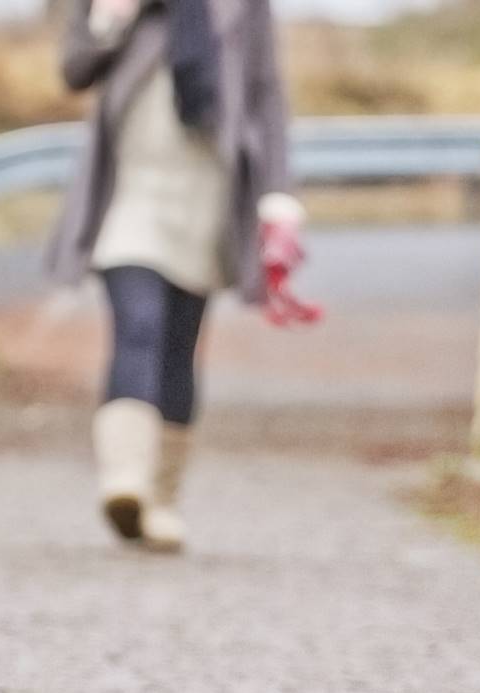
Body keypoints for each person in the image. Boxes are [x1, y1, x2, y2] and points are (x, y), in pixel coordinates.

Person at [47, 0, 312, 552]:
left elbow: (265, 92)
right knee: (138, 324)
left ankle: (162, 501)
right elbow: (74, 69)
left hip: (207, 194)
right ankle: (126, 481)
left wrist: (278, 190)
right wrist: (112, 17)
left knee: (178, 344)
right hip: (129, 193)